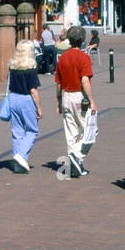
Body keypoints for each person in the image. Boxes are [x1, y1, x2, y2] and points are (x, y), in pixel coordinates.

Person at [54, 26, 97, 178]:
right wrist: (92, 100)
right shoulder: (83, 57)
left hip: (66, 96)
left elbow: (58, 83)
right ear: (83, 40)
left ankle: (75, 165)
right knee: (90, 131)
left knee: (72, 133)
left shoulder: (63, 57)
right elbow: (85, 80)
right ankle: (77, 157)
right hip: (80, 96)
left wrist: (58, 101)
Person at [7, 39, 42, 173]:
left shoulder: (12, 65)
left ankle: (18, 162)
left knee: (17, 131)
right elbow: (34, 91)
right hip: (26, 99)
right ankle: (21, 156)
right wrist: (39, 108)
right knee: (32, 130)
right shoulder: (30, 68)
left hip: (13, 98)